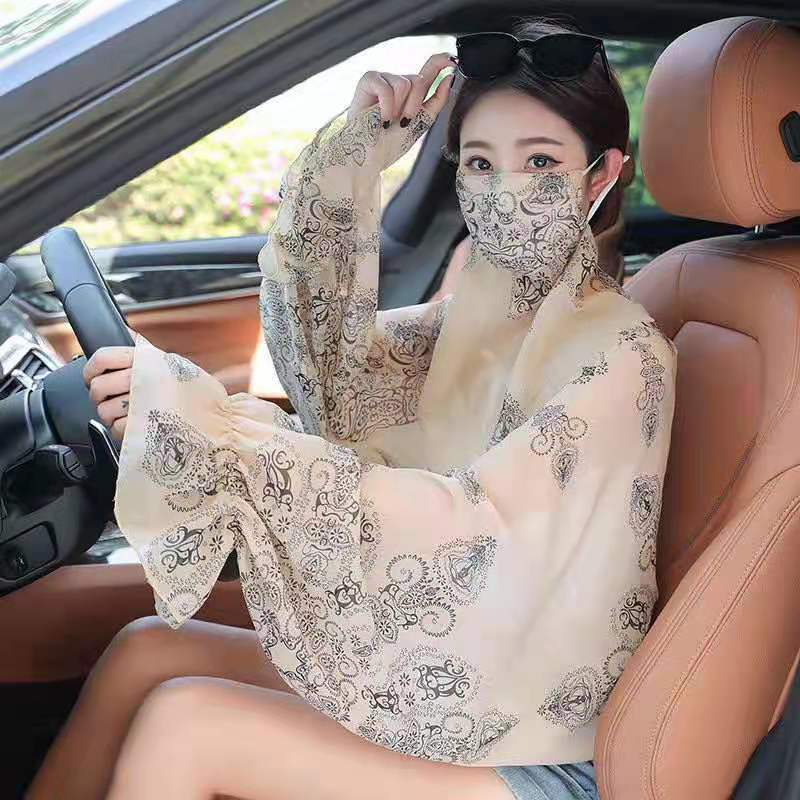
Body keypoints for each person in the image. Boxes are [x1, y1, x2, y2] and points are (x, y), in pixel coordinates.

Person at [26, 17, 676, 800]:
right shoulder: (482, 318)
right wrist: (356, 155)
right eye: (479, 162)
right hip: (462, 677)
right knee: (146, 651)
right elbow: (333, 372)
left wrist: (217, 442)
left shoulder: (622, 355)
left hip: (538, 732)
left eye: (540, 162)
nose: (503, 189)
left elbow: (472, 534)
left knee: (185, 723)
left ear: (602, 175)